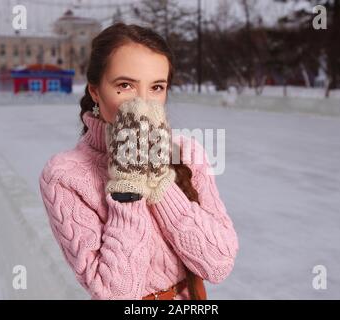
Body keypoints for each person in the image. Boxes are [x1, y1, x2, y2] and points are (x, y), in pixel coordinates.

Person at [38, 22, 239, 300]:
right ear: (95, 91)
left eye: (157, 87)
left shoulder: (188, 153)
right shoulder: (64, 176)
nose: (143, 102)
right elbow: (116, 292)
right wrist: (128, 185)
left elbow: (218, 264)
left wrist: (160, 182)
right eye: (125, 85)